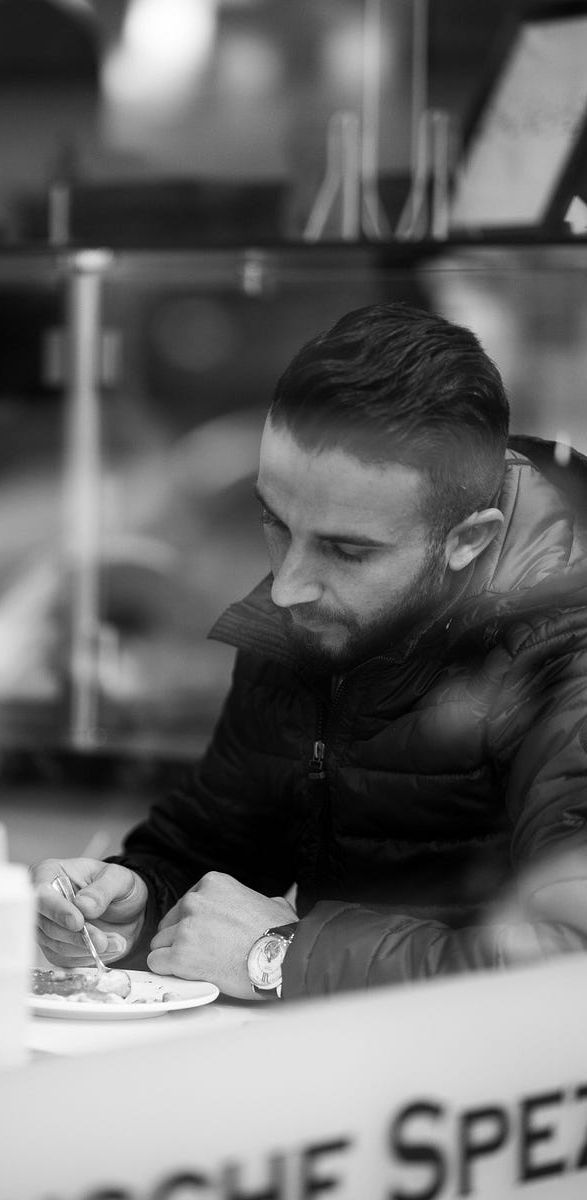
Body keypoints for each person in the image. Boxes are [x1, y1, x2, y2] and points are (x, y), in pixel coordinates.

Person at [33, 302, 587, 1000]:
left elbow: (570, 969)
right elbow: (217, 844)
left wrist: (279, 957)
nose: (289, 584)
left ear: (467, 541)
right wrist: (137, 900)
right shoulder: (315, 614)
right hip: (351, 1069)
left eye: (346, 550)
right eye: (274, 521)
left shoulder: (570, 660)